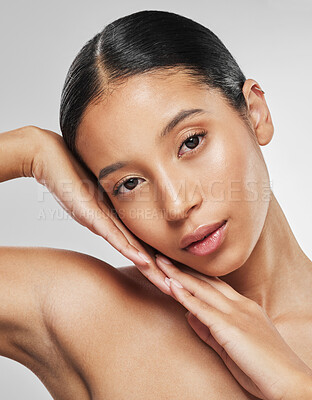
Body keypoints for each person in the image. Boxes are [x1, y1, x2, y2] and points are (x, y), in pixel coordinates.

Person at [1, 9, 312, 400]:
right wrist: (25, 152)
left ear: (255, 113)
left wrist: (296, 388)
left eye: (191, 142)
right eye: (129, 183)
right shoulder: (85, 311)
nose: (177, 204)